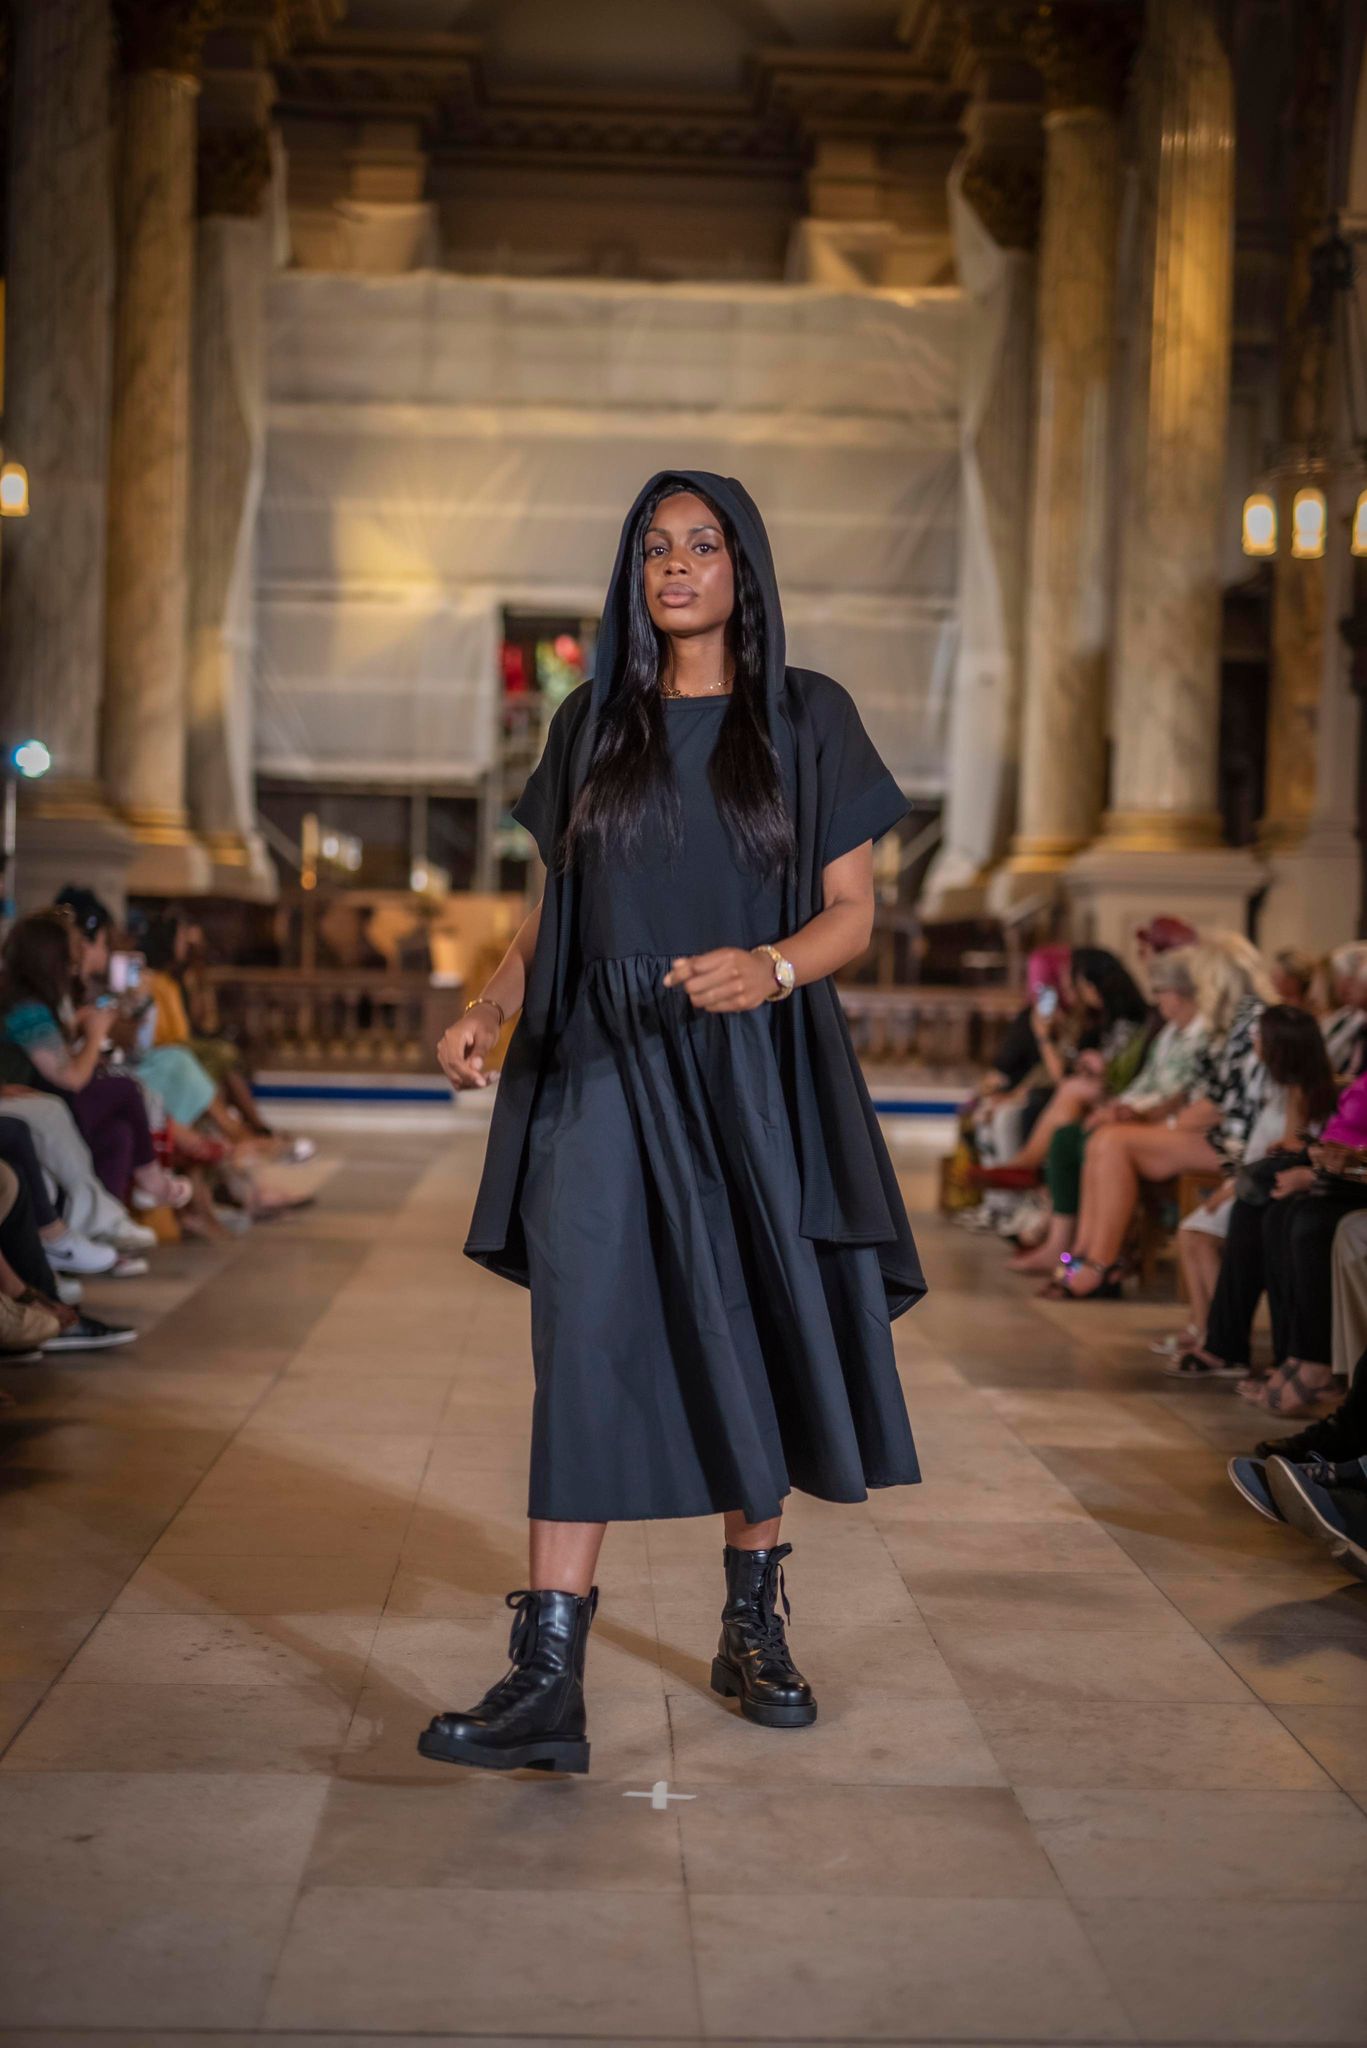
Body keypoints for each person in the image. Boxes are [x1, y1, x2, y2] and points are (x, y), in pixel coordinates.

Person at [417, 470, 925, 1776]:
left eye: (703, 545)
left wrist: (767, 969)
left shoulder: (807, 720)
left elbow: (851, 911)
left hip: (741, 1067)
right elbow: (556, 909)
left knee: (742, 1327)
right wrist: (489, 1003)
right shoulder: (593, 723)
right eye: (655, 548)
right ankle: (546, 1678)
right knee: (580, 1346)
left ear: (743, 569)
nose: (678, 565)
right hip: (595, 1067)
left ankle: (750, 1625)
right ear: (632, 574)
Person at [1050, 935, 1277, 1299]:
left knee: (1112, 1140)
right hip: (1220, 1132)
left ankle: (1101, 1264)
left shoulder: (1250, 1023)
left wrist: (1165, 1124)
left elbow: (1219, 1105)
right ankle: (1083, 1256)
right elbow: (1199, 1095)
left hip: (1241, 1145)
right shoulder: (1236, 1020)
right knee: (1105, 1138)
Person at [1160, 1005, 1340, 1382]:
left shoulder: (1308, 1091)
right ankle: (1216, 1335)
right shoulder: (1277, 1086)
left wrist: (1236, 1187)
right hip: (1261, 1182)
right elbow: (1264, 1152)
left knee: (1257, 1214)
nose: (1253, 1043)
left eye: (1259, 1037)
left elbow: (1293, 1149)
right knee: (1239, 1213)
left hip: (1294, 1184)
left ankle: (1243, 1346)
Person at [1012, 946, 1209, 1280]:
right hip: (1140, 1112)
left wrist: (1125, 1110)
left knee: (1100, 1140)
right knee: (1067, 1137)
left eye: (1161, 992)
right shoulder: (1171, 1034)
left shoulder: (1199, 1035)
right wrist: (1117, 1107)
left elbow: (1177, 1097)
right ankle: (1068, 1252)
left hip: (1169, 1126)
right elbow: (1147, 1083)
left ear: (1181, 993)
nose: (1157, 1001)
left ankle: (1099, 1264)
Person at [0, 911, 190, 1214]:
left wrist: (80, 1026)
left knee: (118, 1134)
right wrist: (95, 1033)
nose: (77, 966)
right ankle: (150, 1179)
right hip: (40, 1101)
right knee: (126, 1089)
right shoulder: (27, 1009)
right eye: (72, 957)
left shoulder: (33, 1002)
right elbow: (71, 1077)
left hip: (41, 1097)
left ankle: (107, 1230)